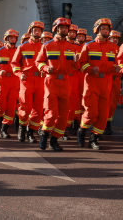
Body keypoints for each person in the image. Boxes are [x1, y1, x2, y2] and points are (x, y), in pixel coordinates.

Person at [35, 17, 76, 151]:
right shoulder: (47, 45)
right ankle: (44, 135)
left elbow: (75, 67)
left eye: (66, 28)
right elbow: (38, 62)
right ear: (56, 29)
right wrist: (46, 68)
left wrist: (77, 62)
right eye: (61, 28)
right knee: (51, 113)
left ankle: (54, 140)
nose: (64, 30)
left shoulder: (72, 47)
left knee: (64, 115)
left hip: (65, 82)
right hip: (51, 82)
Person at [77, 18, 119, 150]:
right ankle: (82, 130)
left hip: (106, 83)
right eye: (103, 29)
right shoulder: (88, 46)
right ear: (97, 30)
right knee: (91, 112)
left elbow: (117, 63)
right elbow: (82, 63)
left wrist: (117, 68)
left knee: (103, 114)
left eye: (107, 29)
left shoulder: (114, 47)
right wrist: (90, 69)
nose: (105, 31)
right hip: (92, 83)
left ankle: (94, 139)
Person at [12, 22, 45, 143]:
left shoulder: (44, 47)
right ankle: (21, 128)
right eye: (35, 30)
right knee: (25, 107)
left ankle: (31, 132)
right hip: (27, 80)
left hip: (41, 80)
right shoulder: (22, 47)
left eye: (39, 30)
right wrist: (20, 74)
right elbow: (14, 63)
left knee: (38, 109)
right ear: (30, 32)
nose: (37, 32)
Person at [0, 29, 20, 138]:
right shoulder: (0, 51)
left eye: (14, 38)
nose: (13, 39)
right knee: (0, 106)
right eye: (11, 38)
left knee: (11, 108)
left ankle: (4, 130)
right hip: (2, 82)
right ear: (6, 39)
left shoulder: (18, 51)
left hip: (14, 82)